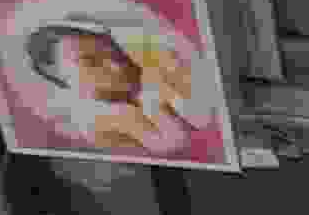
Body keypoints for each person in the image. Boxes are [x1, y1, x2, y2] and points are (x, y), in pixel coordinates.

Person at [18, 12, 203, 154]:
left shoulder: (122, 100)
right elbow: (179, 143)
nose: (117, 66)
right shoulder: (113, 114)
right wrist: (153, 100)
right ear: (54, 72)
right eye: (91, 62)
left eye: (119, 55)